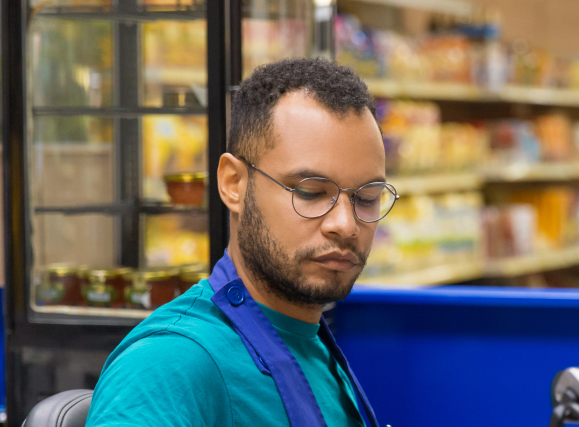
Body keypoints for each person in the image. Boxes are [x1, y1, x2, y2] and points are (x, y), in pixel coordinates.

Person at [86, 58, 395, 427]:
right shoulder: (169, 363)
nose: (345, 224)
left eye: (366, 197)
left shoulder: (311, 345)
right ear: (234, 183)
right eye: (311, 192)